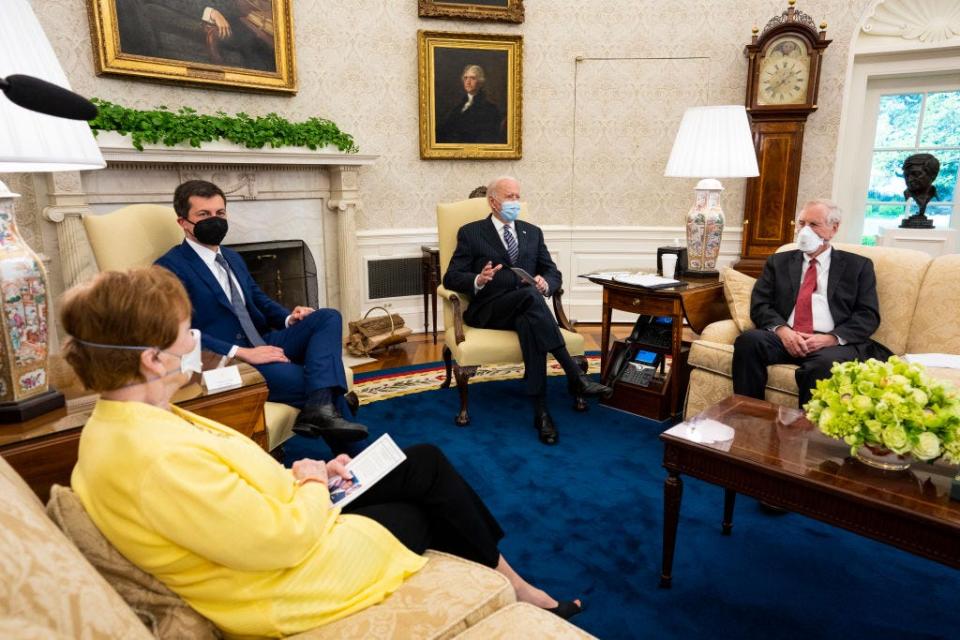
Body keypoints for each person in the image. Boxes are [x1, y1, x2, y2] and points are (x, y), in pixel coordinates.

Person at [64, 267, 583, 637]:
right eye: (188, 334)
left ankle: (510, 582)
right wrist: (312, 482)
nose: (196, 344)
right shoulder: (152, 456)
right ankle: (513, 586)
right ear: (154, 360)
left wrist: (304, 476)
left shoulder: (128, 424)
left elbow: (228, 493)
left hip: (291, 523)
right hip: (288, 582)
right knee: (422, 504)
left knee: (420, 461)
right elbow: (276, 543)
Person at [155, 180, 366, 445]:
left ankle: (318, 408)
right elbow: (175, 334)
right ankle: (359, 465)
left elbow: (258, 300)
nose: (215, 220)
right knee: (319, 386)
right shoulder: (167, 268)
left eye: (220, 213)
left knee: (327, 317)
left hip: (264, 341)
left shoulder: (232, 257)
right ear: (183, 222)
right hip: (230, 362)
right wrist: (242, 352)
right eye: (203, 215)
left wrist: (290, 318)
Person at [443, 176, 612, 445]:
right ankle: (574, 375)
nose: (515, 203)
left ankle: (541, 412)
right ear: (493, 201)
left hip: (526, 308)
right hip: (489, 310)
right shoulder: (471, 232)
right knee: (531, 299)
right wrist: (478, 278)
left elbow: (552, 271)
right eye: (510, 197)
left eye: (517, 197)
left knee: (530, 316)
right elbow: (451, 277)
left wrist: (547, 283)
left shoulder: (532, 232)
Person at [732, 199, 893, 407]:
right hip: (787, 337)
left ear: (834, 228)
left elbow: (867, 315)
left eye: (813, 225)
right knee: (748, 341)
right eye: (801, 224)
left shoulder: (858, 266)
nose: (804, 231)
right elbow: (760, 304)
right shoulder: (778, 261)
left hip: (830, 345)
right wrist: (783, 331)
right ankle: (748, 415)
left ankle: (806, 435)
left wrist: (830, 338)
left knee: (824, 366)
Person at [436, 64, 505, 144]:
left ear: (480, 82)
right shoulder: (458, 107)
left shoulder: (490, 109)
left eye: (472, 78)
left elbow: (487, 139)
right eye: (465, 78)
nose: (468, 82)